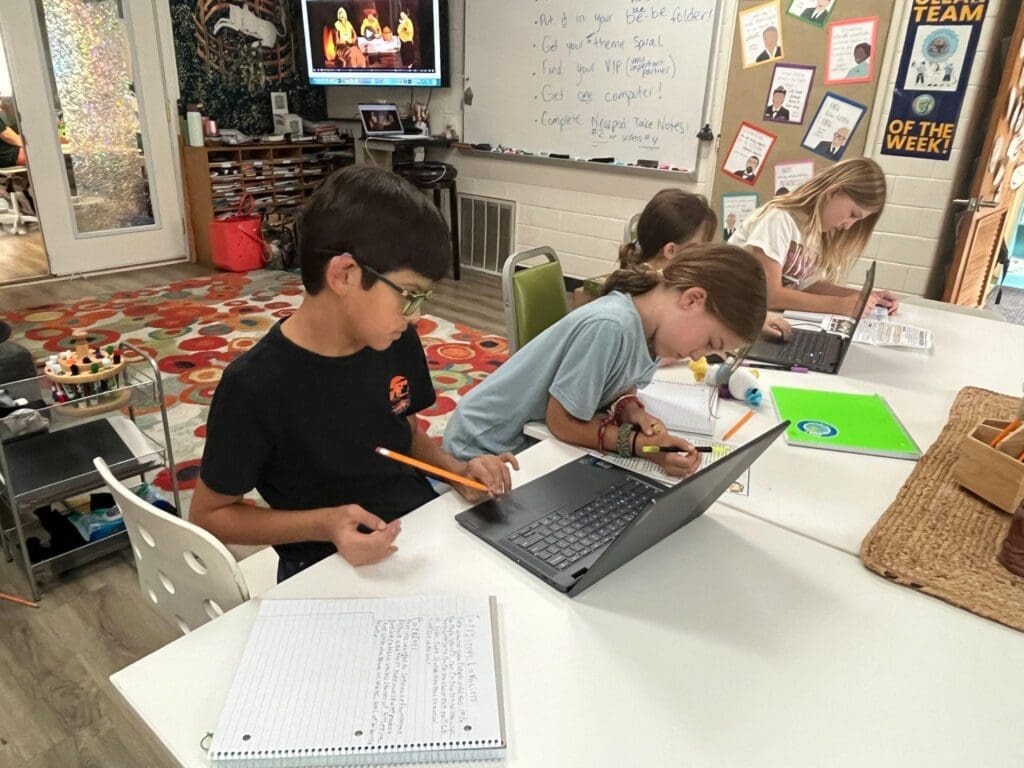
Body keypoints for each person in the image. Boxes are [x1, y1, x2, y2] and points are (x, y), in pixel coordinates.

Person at [190, 166, 518, 582]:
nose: (417, 314)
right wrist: (325, 524)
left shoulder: (395, 341)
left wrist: (454, 471)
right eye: (410, 295)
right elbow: (211, 514)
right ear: (344, 275)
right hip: (323, 568)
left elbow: (403, 432)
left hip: (416, 533)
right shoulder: (254, 386)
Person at [442, 243, 769, 477]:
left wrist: (632, 411)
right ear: (692, 299)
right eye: (710, 342)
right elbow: (562, 422)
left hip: (530, 438)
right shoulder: (611, 326)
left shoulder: (655, 335)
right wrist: (644, 447)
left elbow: (613, 387)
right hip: (485, 444)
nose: (700, 355)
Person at [728, 157, 900, 316]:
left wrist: (864, 297)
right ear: (833, 192)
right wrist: (840, 306)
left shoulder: (814, 230)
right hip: (733, 318)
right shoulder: (779, 218)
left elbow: (806, 286)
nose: (848, 225)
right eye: (853, 214)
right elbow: (769, 295)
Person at [621, 190, 789, 341]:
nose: (704, 254)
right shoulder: (646, 299)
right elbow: (659, 349)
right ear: (671, 250)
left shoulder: (673, 282)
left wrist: (747, 322)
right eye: (699, 247)